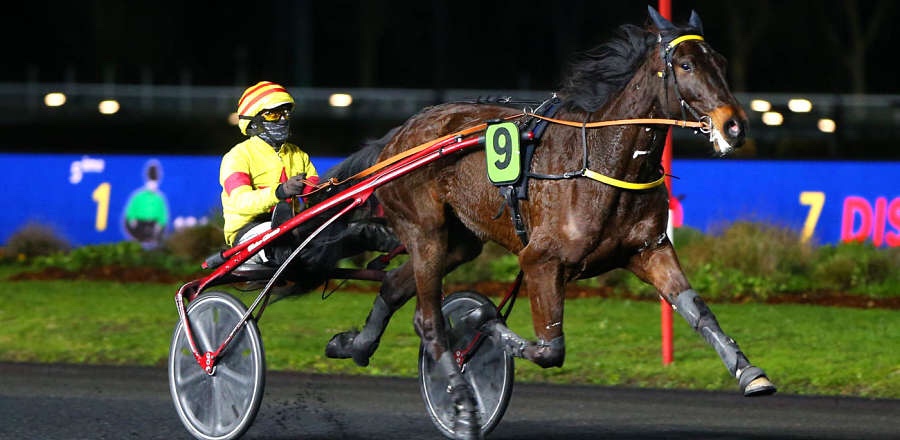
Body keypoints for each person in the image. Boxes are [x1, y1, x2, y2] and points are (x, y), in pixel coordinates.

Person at [219, 81, 319, 265]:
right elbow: (240, 202)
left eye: (286, 113)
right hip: (248, 232)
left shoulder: (299, 155)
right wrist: (280, 192)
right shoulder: (237, 157)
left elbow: (315, 194)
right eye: (273, 114)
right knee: (281, 235)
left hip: (290, 227)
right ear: (254, 121)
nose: (283, 119)